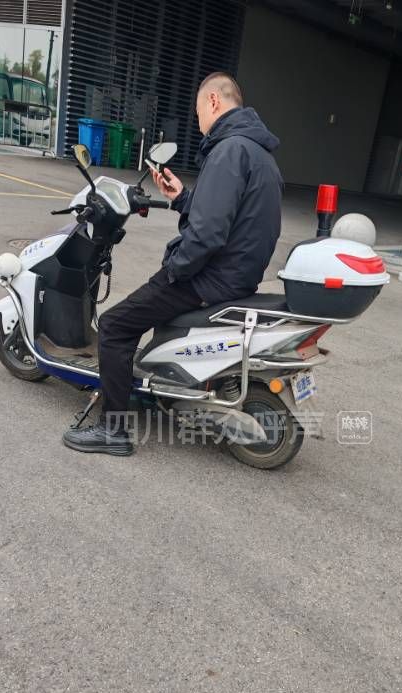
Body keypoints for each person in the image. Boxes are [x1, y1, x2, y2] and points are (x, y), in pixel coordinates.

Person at [63, 72, 283, 456]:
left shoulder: (229, 150)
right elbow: (232, 215)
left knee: (115, 326)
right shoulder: (260, 155)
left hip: (208, 278)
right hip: (238, 276)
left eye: (198, 111)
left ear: (213, 101)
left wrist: (173, 271)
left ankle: (113, 430)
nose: (199, 121)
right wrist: (182, 198)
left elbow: (207, 234)